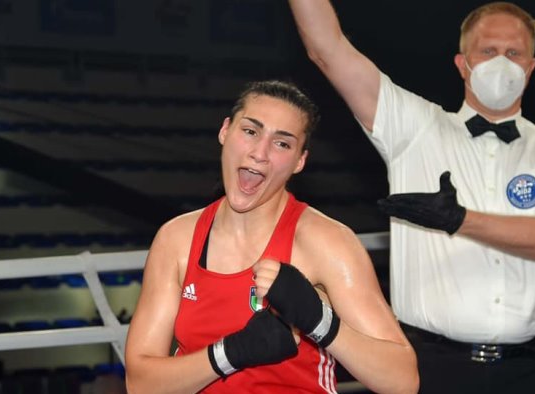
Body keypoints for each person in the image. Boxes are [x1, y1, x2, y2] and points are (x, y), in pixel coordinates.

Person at [287, 1, 535, 393]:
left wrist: (459, 220)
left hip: (529, 371)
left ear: (531, 66)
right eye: (488, 51)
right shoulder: (415, 128)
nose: (501, 63)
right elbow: (327, 48)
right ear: (462, 63)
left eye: (514, 53)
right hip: (432, 367)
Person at [124, 80, 418, 394]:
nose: (259, 153)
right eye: (250, 131)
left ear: (300, 161)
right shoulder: (176, 239)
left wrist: (320, 323)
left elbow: (402, 381)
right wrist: (230, 353)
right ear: (225, 131)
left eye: (282, 143)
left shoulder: (326, 242)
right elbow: (141, 385)